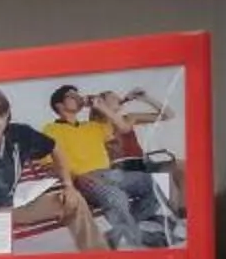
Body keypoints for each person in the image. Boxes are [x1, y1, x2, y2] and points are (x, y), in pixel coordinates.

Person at [43, 82, 172, 248]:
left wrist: (101, 106)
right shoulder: (50, 130)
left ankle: (120, 231)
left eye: (77, 94)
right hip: (85, 179)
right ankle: (139, 238)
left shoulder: (92, 126)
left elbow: (123, 128)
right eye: (71, 95)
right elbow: (49, 164)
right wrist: (75, 178)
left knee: (160, 184)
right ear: (59, 105)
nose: (77, 97)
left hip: (111, 174)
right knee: (117, 197)